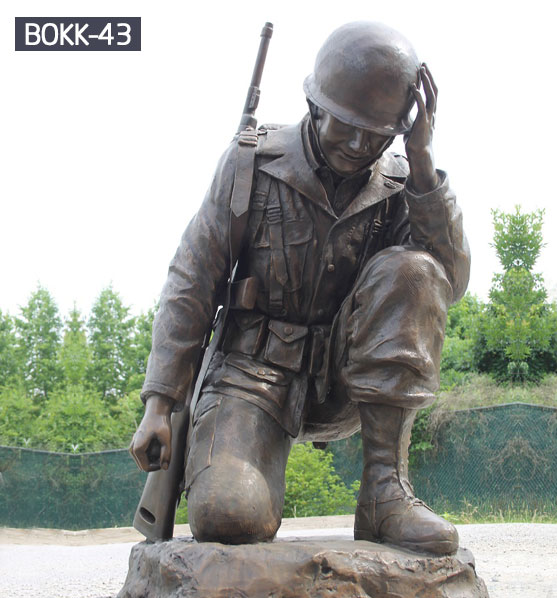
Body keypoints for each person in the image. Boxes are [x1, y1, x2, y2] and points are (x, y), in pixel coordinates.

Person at [130, 21, 470, 556]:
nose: (360, 144)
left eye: (377, 132)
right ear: (314, 104)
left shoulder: (404, 182)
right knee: (229, 517)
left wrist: (424, 165)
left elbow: (450, 281)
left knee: (416, 269)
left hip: (348, 378)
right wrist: (159, 401)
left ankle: (384, 493)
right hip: (250, 374)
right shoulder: (250, 162)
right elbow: (191, 281)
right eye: (347, 124)